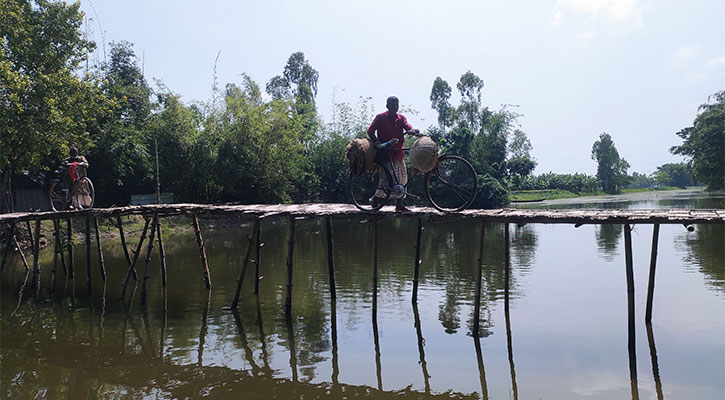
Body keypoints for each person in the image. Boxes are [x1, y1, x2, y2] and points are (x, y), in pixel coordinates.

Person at [367, 96, 421, 212]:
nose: (395, 107)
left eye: (396, 104)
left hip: (398, 153)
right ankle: (375, 199)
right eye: (392, 105)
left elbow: (408, 127)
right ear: (387, 106)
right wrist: (377, 142)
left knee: (402, 179)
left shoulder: (401, 118)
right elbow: (370, 131)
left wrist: (413, 131)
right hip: (385, 152)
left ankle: (399, 205)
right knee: (386, 179)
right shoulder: (380, 117)